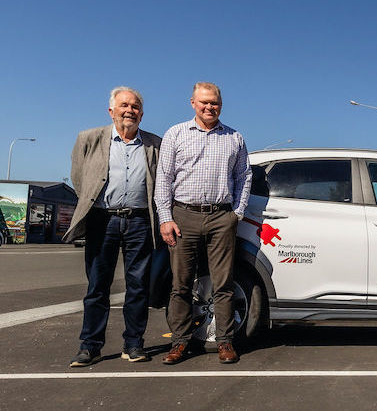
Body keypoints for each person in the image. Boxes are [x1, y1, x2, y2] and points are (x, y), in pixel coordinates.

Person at [156, 82, 252, 365]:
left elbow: (244, 176)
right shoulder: (175, 134)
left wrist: (237, 212)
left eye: (215, 103)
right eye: (204, 102)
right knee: (181, 284)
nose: (210, 107)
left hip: (222, 217)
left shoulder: (234, 137)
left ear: (221, 105)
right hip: (184, 216)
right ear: (193, 103)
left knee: (223, 283)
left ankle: (225, 342)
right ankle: (179, 342)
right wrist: (165, 218)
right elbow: (164, 179)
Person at [65, 87, 162, 367]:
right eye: (123, 105)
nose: (129, 110)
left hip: (141, 221)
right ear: (111, 111)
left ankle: (134, 344)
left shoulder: (155, 144)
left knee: (138, 287)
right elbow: (79, 178)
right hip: (102, 219)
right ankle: (90, 346)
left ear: (141, 114)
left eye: (134, 107)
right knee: (97, 286)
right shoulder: (89, 138)